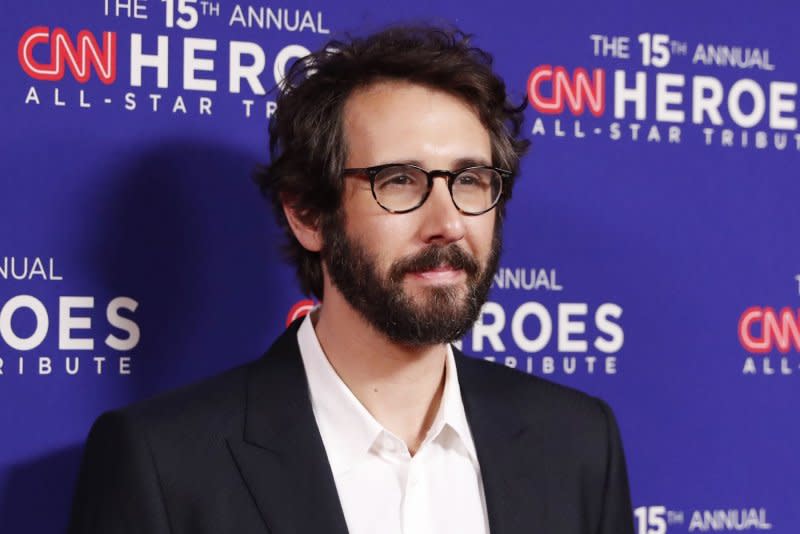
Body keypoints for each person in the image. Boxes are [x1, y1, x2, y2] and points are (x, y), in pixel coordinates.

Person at [69, 24, 635, 534]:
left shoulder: (579, 443)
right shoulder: (163, 463)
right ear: (309, 215)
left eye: (470, 180)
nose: (448, 223)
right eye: (398, 181)